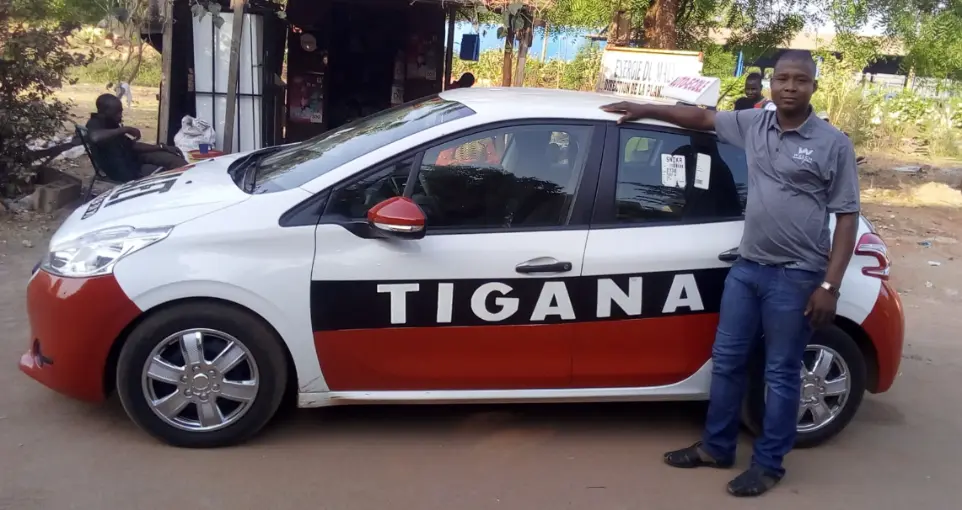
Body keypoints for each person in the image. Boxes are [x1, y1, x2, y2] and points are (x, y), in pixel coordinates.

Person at [600, 50, 860, 497]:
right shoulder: (754, 124)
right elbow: (702, 119)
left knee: (781, 372)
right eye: (783, 78)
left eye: (800, 80)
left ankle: (769, 464)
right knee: (726, 361)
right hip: (747, 268)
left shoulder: (833, 144)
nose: (790, 87)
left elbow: (848, 217)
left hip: (797, 276)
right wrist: (645, 108)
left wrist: (829, 286)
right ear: (772, 83)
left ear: (813, 86)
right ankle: (717, 447)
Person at [86, 94, 188, 182]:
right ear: (104, 111)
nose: (120, 116)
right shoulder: (94, 123)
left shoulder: (110, 123)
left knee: (173, 159)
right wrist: (124, 129)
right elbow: (95, 137)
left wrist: (161, 147)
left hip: (133, 158)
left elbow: (132, 146)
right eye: (117, 113)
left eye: (120, 112)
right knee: (166, 172)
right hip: (125, 170)